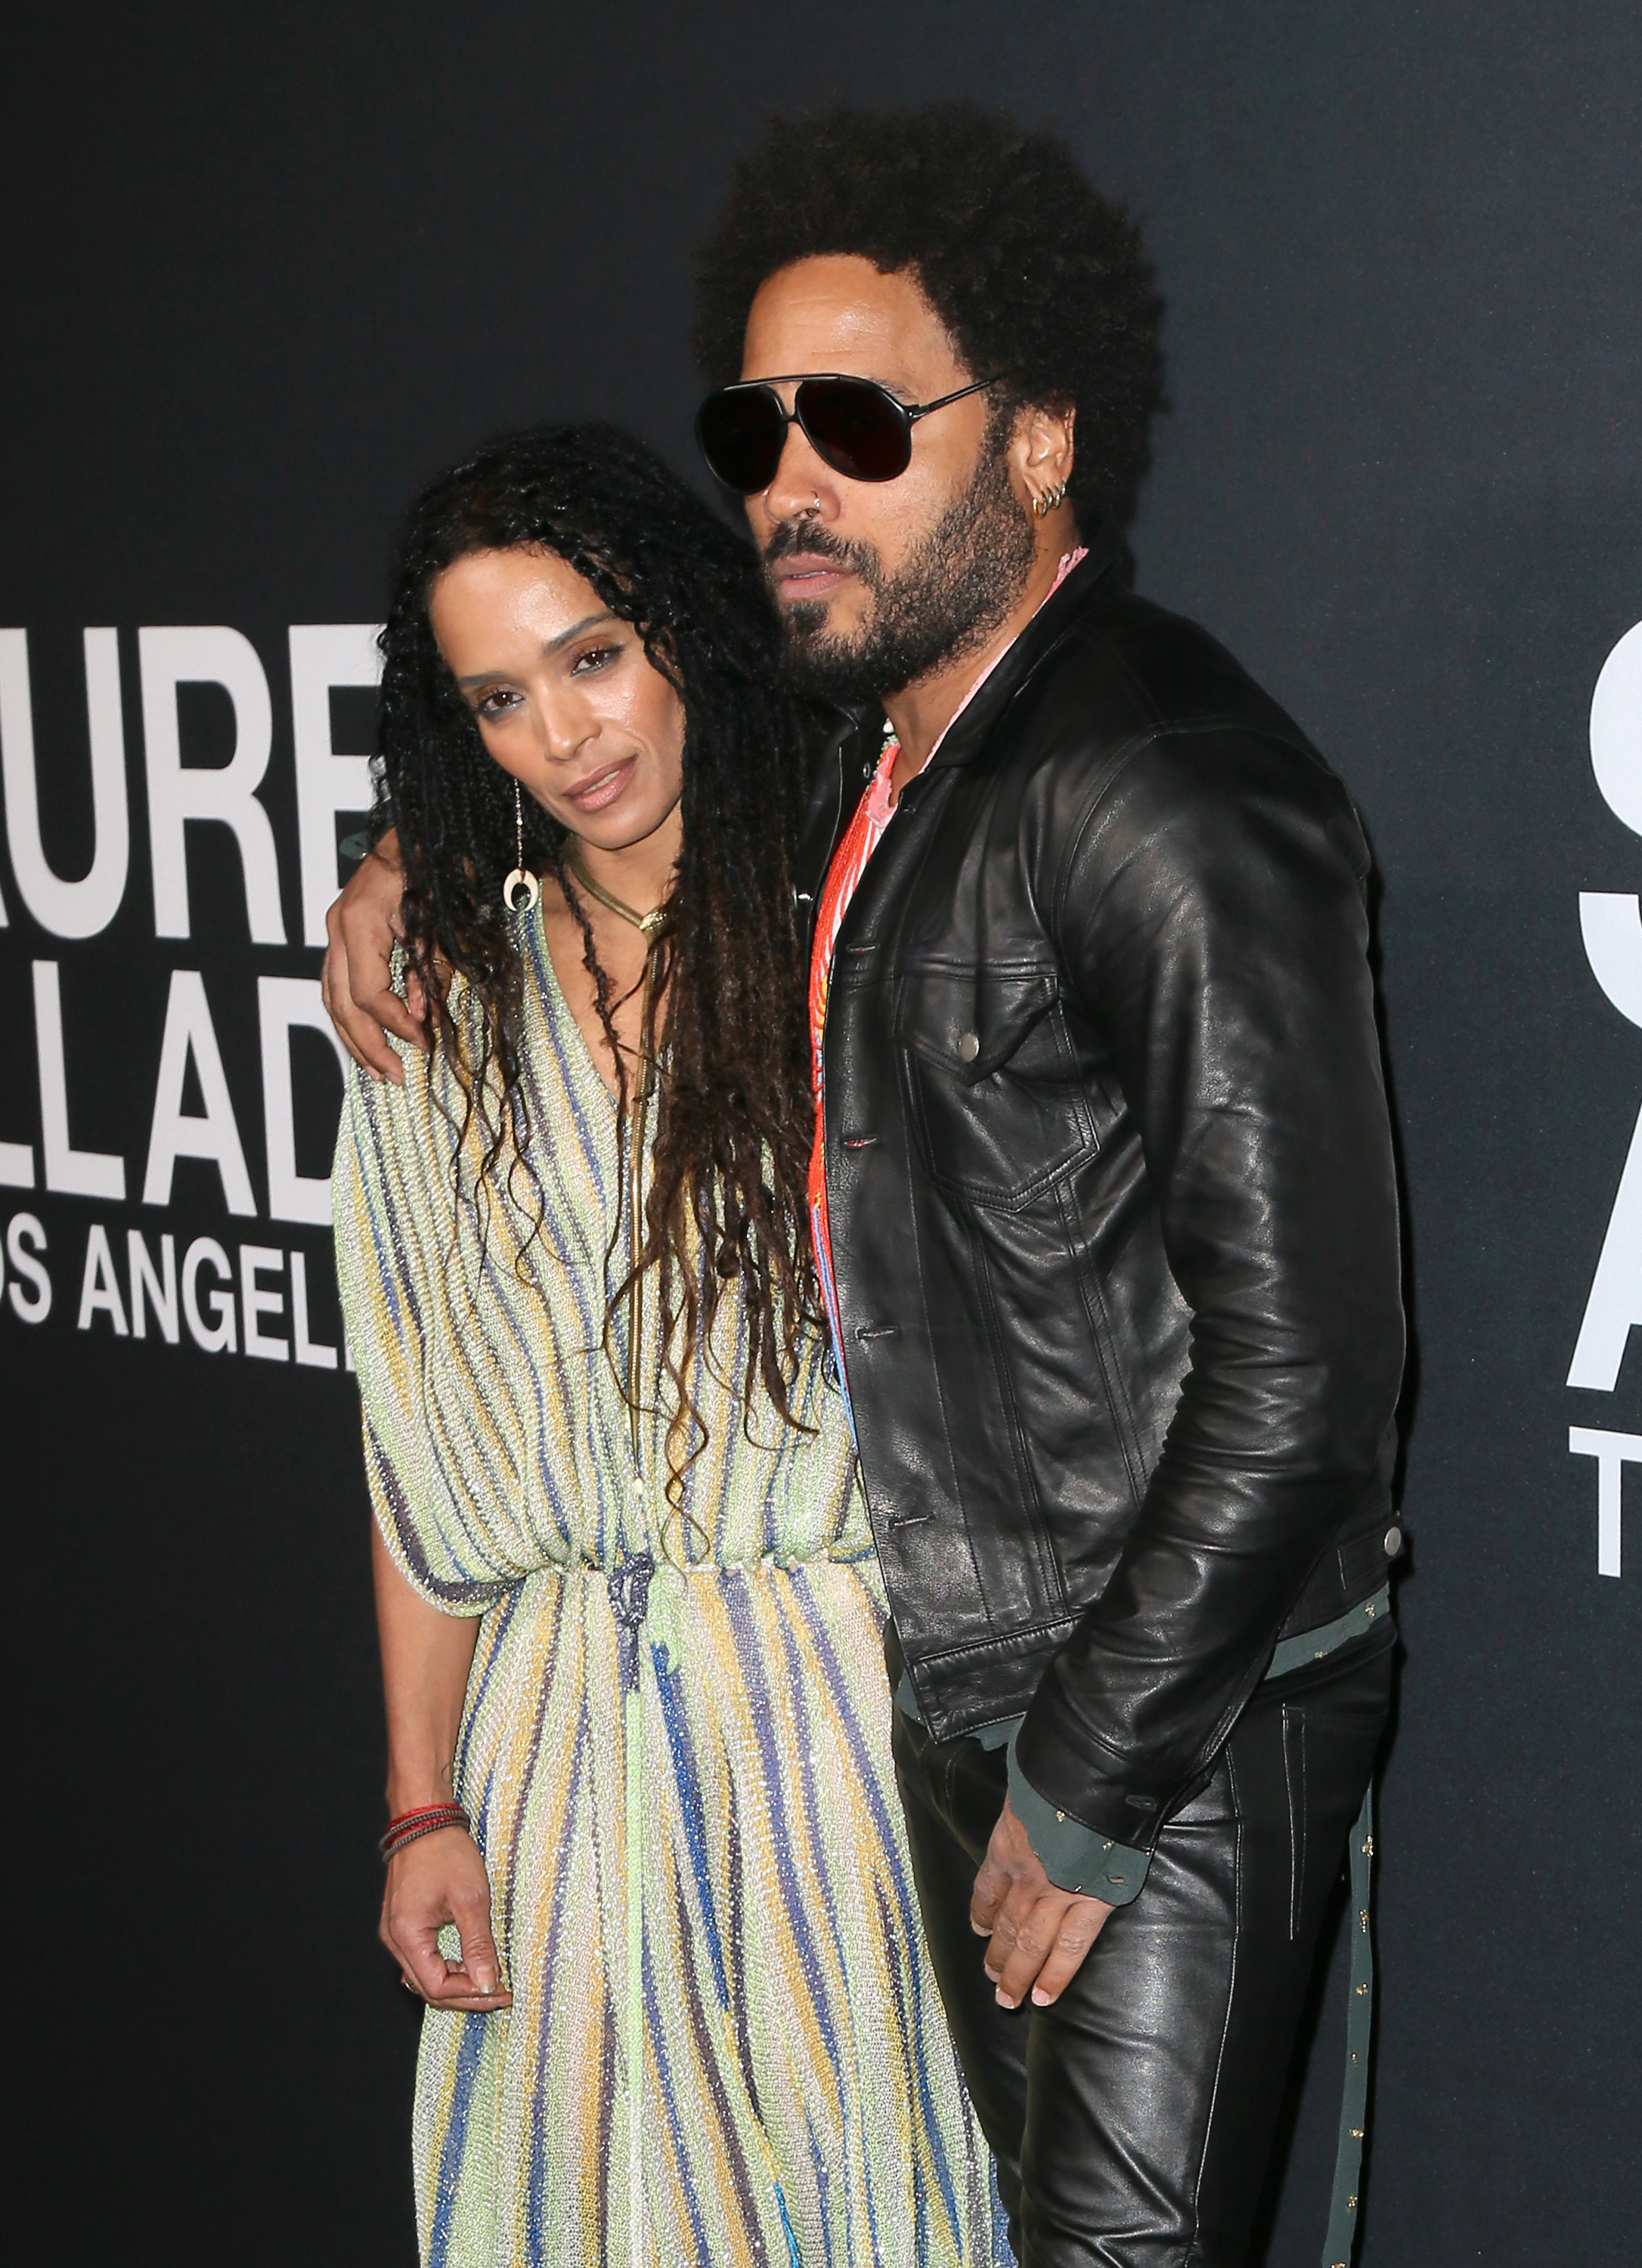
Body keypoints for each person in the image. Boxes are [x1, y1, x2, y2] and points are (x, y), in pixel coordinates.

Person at [327, 106, 1407, 2268]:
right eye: (760, 426)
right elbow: (424, 1430)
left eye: (855, 417)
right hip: (818, 1728)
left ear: (1031, 442)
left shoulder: (1083, 787)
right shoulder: (844, 789)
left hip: (1052, 1716)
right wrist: (403, 871)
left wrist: (1093, 1770)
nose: (793, 479)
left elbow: (1305, 1351)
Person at [331, 423, 999, 2268]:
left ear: (684, 628)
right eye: (498, 697)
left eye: (594, 655)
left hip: (836, 1738)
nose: (568, 734)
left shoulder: (855, 938)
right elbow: (422, 1465)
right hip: (548, 1772)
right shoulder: (436, 1016)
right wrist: (419, 1806)